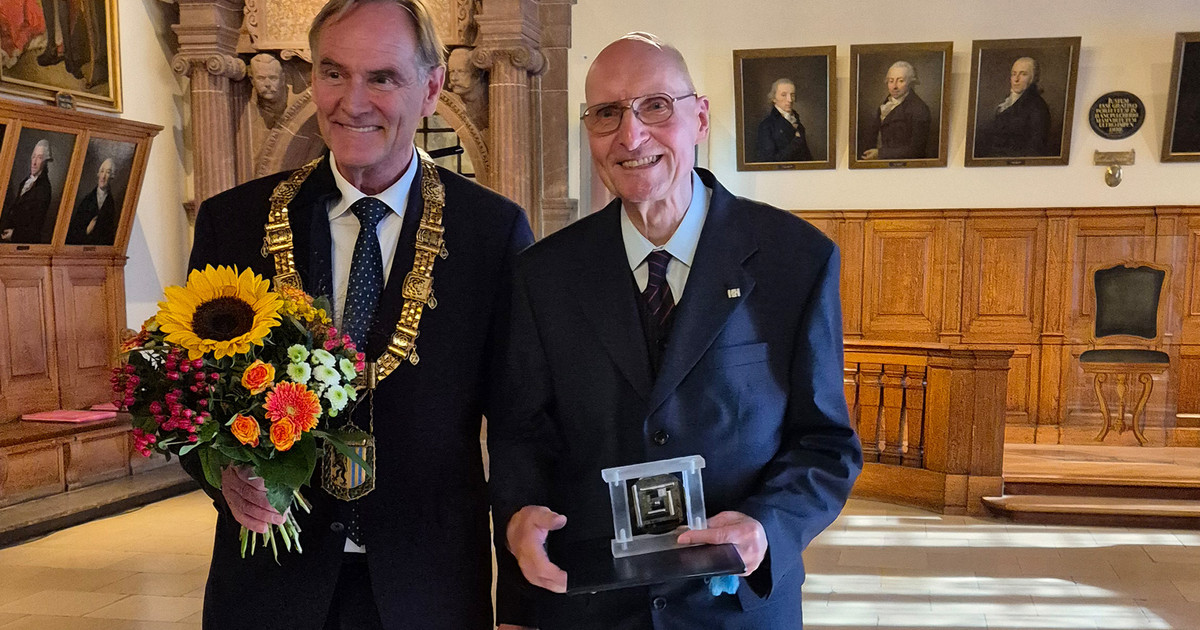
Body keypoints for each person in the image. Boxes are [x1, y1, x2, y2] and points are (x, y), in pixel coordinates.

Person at [490, 32, 862, 629]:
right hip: (590, 606)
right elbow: (521, 436)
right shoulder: (543, 274)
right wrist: (518, 516)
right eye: (606, 113)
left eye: (656, 106)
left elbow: (826, 444)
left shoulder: (796, 260)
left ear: (701, 118)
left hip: (736, 607)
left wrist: (767, 524)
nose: (631, 135)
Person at [184, 1, 534, 628]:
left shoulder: (491, 232)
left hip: (426, 587)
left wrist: (521, 603)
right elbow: (189, 395)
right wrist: (221, 472)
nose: (352, 102)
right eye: (333, 72)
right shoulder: (233, 223)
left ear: (432, 88)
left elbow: (520, 427)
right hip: (270, 585)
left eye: (382, 77)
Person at [975, 56, 1051, 158]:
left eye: (1023, 74)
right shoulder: (1008, 101)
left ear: (1033, 78)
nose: (1016, 79)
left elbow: (1035, 148)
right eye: (1014, 74)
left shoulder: (1037, 107)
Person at [860, 60, 931, 160]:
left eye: (900, 81)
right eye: (891, 81)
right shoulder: (885, 104)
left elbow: (916, 150)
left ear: (910, 83)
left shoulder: (919, 109)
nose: (894, 86)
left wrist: (880, 154)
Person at [1, 139, 54, 244]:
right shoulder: (26, 181)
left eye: (39, 158)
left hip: (21, 243)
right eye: (33, 156)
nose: (34, 162)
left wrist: (14, 234)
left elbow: (36, 226)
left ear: (45, 162)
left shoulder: (44, 189)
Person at [754, 77, 812, 162]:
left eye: (792, 95)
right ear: (773, 98)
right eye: (784, 95)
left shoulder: (797, 123)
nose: (790, 100)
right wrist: (796, 142)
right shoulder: (766, 126)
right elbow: (769, 162)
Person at [66, 158, 119, 245]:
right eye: (102, 171)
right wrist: (86, 230)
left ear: (112, 177)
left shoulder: (111, 204)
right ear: (98, 174)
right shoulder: (87, 200)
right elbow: (73, 231)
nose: (103, 176)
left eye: (108, 172)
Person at [249, 53, 288, 129]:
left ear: (283, 79)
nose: (267, 84)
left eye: (273, 78)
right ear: (252, 80)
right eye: (261, 78)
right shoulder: (249, 109)